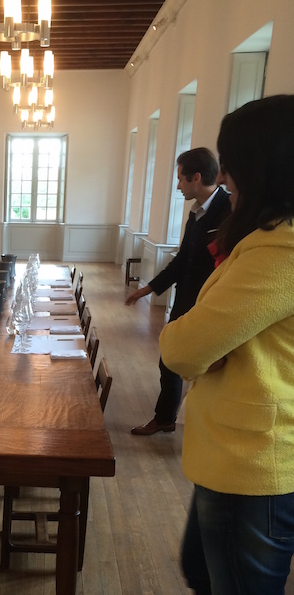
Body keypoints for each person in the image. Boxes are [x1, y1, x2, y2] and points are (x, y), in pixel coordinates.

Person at [159, 94, 294, 595]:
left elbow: (185, 348)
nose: (226, 176)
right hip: (236, 456)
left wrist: (182, 333)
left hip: (256, 463)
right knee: (207, 576)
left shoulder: (280, 250)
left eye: (233, 162)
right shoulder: (265, 239)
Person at [126, 148, 231, 436]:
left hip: (211, 304)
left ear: (196, 177)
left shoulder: (229, 210)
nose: (177, 186)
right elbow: (183, 260)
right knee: (169, 358)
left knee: (209, 366)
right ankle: (166, 418)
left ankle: (199, 425)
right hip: (186, 300)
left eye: (180, 179)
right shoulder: (196, 212)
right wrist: (147, 289)